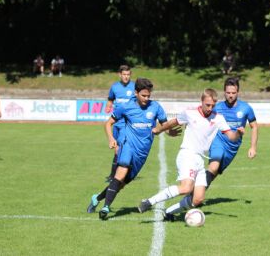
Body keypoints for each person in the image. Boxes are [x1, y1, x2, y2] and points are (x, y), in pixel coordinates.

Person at [162, 77, 258, 221]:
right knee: (213, 167)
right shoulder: (217, 107)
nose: (230, 95)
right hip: (218, 141)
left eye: (233, 92)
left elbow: (254, 126)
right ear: (224, 92)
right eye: (227, 92)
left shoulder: (246, 108)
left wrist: (253, 147)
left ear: (238, 92)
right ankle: (191, 190)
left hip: (232, 148)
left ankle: (191, 197)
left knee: (212, 176)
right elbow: (200, 115)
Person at [137, 89, 244, 217]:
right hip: (187, 154)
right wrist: (158, 130)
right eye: (207, 105)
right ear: (202, 101)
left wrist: (238, 133)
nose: (210, 108)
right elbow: (172, 122)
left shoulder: (218, 118)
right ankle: (148, 202)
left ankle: (169, 212)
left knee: (198, 199)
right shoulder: (190, 113)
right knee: (186, 188)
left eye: (213, 105)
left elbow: (231, 136)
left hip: (200, 159)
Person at [86, 78, 171, 220]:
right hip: (127, 145)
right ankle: (106, 208)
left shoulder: (155, 107)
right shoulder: (125, 107)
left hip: (142, 153)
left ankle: (97, 198)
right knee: (120, 173)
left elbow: (164, 125)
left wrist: (170, 131)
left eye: (148, 95)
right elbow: (108, 123)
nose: (146, 98)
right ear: (136, 93)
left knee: (120, 184)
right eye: (143, 95)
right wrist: (112, 139)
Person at [103, 65, 136, 182]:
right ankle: (116, 174)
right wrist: (108, 106)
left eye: (128, 75)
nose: (126, 77)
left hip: (127, 123)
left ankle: (115, 176)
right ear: (120, 75)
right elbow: (110, 99)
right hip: (117, 122)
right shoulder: (114, 87)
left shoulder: (134, 87)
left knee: (119, 149)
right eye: (124, 75)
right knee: (116, 149)